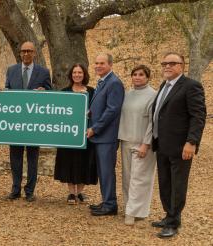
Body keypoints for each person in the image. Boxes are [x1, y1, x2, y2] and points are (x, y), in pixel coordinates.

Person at [151, 52, 206, 238]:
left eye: (172, 63)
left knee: (178, 185)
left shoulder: (191, 86)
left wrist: (191, 142)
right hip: (162, 145)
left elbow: (198, 116)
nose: (167, 66)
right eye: (164, 63)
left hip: (180, 147)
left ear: (182, 65)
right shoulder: (164, 86)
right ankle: (169, 216)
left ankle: (173, 223)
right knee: (165, 183)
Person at [4, 41, 52, 202]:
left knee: (33, 157)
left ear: (34, 53)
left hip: (33, 124)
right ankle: (15, 189)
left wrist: (45, 91)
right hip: (15, 123)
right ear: (20, 53)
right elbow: (8, 92)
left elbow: (51, 94)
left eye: (29, 51)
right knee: (15, 157)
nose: (26, 54)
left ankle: (30, 191)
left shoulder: (44, 72)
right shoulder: (11, 71)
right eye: (23, 51)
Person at [118, 65, 157, 225]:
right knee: (127, 177)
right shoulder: (127, 94)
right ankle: (130, 207)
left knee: (140, 179)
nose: (137, 77)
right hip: (126, 140)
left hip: (143, 143)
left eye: (141, 75)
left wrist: (146, 144)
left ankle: (133, 213)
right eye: (134, 74)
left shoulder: (154, 95)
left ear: (148, 77)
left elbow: (153, 122)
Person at [87, 53, 124, 216]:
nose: (98, 66)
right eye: (96, 63)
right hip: (100, 137)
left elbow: (112, 110)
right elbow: (102, 106)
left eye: (102, 63)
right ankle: (106, 201)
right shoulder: (103, 82)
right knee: (102, 170)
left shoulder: (114, 83)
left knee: (107, 171)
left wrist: (95, 128)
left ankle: (110, 205)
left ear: (110, 65)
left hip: (106, 137)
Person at [54, 63, 97, 204]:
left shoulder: (92, 92)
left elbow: (97, 110)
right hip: (69, 134)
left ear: (84, 75)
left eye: (80, 72)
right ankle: (71, 193)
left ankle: (80, 192)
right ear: (71, 75)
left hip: (87, 134)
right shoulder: (65, 91)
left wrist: (90, 114)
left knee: (84, 162)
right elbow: (59, 112)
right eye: (74, 72)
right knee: (69, 161)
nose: (77, 75)